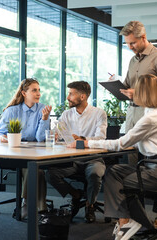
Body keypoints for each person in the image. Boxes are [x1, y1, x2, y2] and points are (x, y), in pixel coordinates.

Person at [68, 74, 157, 240]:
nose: (132, 93)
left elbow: (118, 145)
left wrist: (85, 143)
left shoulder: (150, 119)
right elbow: (150, 142)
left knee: (118, 180)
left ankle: (125, 222)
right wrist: (135, 143)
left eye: (136, 90)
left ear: (143, 93)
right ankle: (138, 224)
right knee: (116, 171)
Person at [46, 81, 108, 223]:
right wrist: (55, 134)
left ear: (82, 97)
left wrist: (81, 139)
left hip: (93, 158)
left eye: (71, 94)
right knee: (50, 174)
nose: (68, 97)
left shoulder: (99, 114)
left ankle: (90, 205)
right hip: (72, 159)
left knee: (95, 173)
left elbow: (101, 138)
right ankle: (75, 194)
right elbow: (58, 134)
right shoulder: (66, 114)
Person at [0, 78, 52, 219]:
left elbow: (40, 138)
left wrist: (45, 118)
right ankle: (39, 207)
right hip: (14, 151)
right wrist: (3, 138)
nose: (38, 93)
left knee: (36, 169)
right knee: (34, 169)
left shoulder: (42, 109)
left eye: (39, 90)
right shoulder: (12, 111)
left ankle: (27, 203)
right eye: (34, 90)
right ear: (24, 93)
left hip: (34, 151)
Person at [117, 21, 157, 134]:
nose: (130, 47)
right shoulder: (133, 60)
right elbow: (128, 86)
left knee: (146, 150)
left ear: (143, 37)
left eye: (133, 43)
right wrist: (115, 85)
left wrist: (139, 93)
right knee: (129, 149)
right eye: (127, 44)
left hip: (148, 112)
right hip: (131, 112)